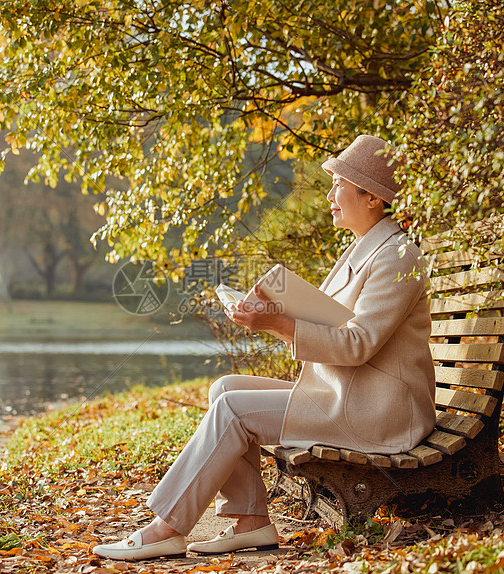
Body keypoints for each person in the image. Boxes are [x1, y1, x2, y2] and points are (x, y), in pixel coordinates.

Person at [92, 135, 436, 560]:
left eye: (338, 184)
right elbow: (327, 328)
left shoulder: (396, 255)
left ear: (372, 197)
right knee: (225, 388)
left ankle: (167, 527)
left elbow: (358, 345)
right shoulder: (365, 249)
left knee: (234, 411)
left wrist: (279, 321)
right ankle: (250, 521)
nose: (330, 195)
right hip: (348, 394)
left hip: (379, 412)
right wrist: (268, 317)